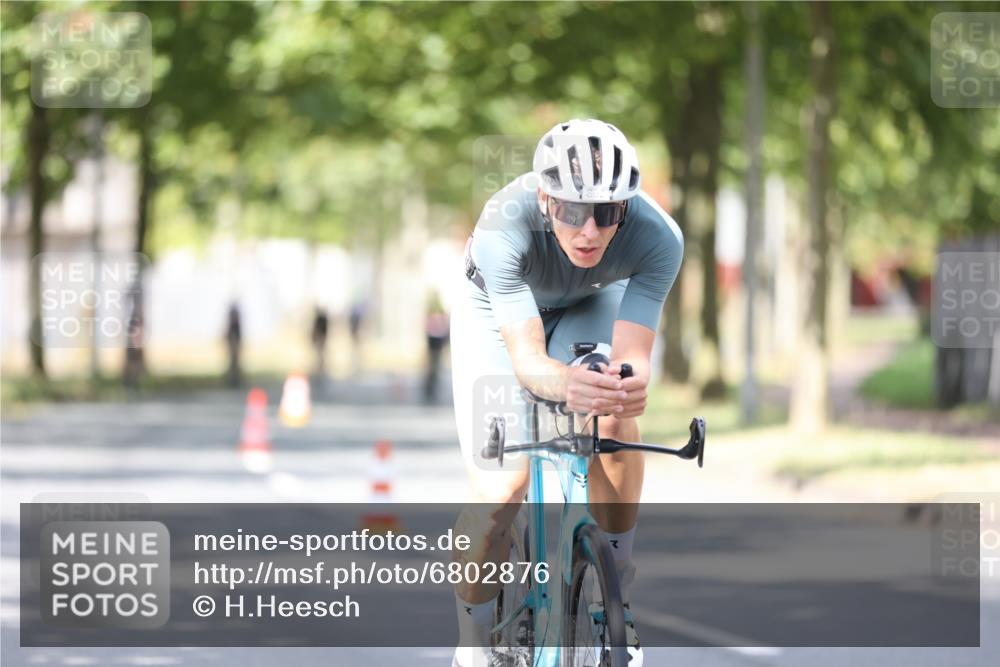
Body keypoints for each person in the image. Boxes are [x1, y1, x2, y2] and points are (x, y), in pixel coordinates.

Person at [450, 119, 684, 667]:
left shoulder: (659, 237)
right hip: (497, 313)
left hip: (594, 300)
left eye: (607, 214)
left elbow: (633, 359)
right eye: (572, 211)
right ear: (544, 198)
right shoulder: (501, 230)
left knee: (614, 406)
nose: (589, 231)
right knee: (501, 490)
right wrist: (564, 381)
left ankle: (617, 581)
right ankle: (473, 636)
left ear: (625, 208)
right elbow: (529, 362)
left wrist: (622, 387)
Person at [423, 295, 450, 403]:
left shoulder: (435, 315)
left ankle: (431, 389)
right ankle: (430, 389)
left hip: (435, 344)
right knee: (433, 367)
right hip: (434, 344)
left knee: (434, 367)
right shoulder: (438, 315)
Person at [224, 302, 242, 388]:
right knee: (233, 364)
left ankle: (235, 381)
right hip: (233, 345)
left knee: (235, 364)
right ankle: (233, 382)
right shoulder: (233, 324)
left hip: (234, 345)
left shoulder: (235, 324)